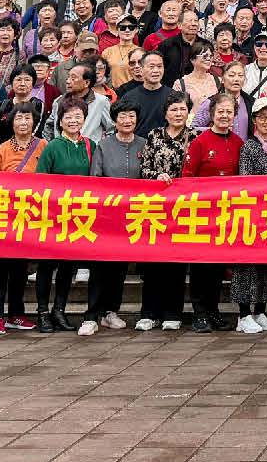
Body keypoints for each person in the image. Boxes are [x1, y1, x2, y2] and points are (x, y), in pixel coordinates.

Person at [78, 104, 147, 336]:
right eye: (122, 116)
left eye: (131, 116)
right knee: (99, 267)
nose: (127, 120)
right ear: (115, 120)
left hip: (133, 216)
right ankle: (91, 315)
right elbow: (95, 178)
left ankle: (111, 311)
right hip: (107, 217)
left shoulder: (144, 144)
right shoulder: (104, 145)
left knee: (120, 267)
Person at [30, 105, 99, 332]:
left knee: (68, 266)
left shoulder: (90, 145)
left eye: (78, 116)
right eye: (68, 117)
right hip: (53, 215)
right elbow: (40, 180)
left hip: (78, 215)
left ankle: (59, 310)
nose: (73, 121)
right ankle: (42, 312)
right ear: (60, 121)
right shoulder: (52, 147)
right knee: (46, 265)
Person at [0, 101, 48, 335]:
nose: (23, 122)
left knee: (20, 269)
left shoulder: (43, 146)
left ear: (34, 121)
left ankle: (16, 314)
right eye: (19, 118)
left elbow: (50, 178)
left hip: (29, 216)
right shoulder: (1, 150)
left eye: (28, 118)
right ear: (11, 122)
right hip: (4, 215)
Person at [183, 91, 245, 332]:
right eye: (220, 111)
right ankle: (199, 313)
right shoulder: (200, 142)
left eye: (229, 112)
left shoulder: (238, 142)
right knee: (202, 266)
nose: (224, 116)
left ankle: (213, 310)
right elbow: (188, 176)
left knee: (218, 267)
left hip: (226, 215)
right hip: (202, 214)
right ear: (211, 114)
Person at [136, 97, 194, 331]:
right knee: (153, 262)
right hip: (156, 206)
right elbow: (144, 168)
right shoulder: (154, 135)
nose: (178, 113)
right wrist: (157, 176)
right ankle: (149, 313)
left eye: (182, 109)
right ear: (165, 113)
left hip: (182, 208)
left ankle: (172, 312)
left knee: (176, 263)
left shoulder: (195, 137)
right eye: (174, 109)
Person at [232, 102, 267, 333]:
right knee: (247, 265)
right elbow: (245, 180)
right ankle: (244, 314)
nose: (266, 122)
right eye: (262, 117)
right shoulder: (248, 147)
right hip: (251, 212)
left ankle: (260, 311)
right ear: (254, 120)